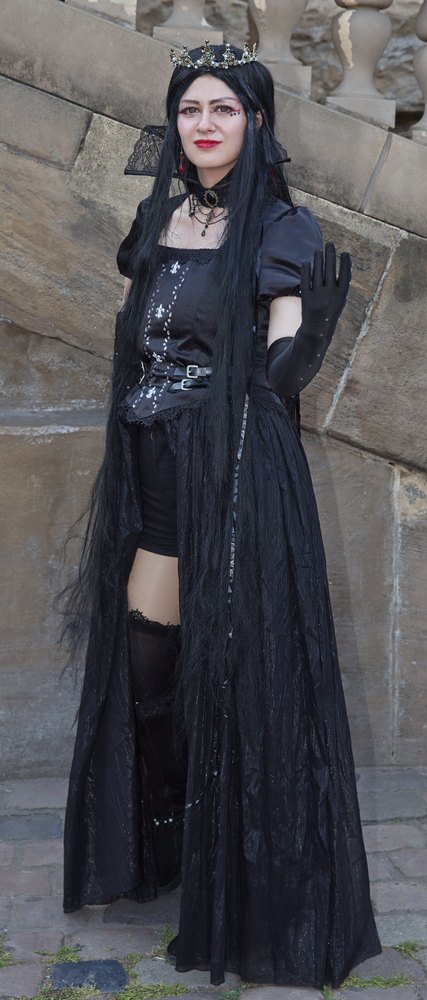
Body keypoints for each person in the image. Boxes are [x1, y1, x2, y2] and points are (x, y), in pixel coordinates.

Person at [62, 41, 381, 990]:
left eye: (223, 109)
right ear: (173, 123)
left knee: (240, 669)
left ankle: (249, 886)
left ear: (255, 121)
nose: (204, 124)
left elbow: (276, 376)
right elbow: (143, 342)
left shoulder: (281, 228)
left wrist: (308, 337)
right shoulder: (157, 218)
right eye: (190, 109)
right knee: (146, 656)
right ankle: (172, 842)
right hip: (155, 475)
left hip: (237, 471)